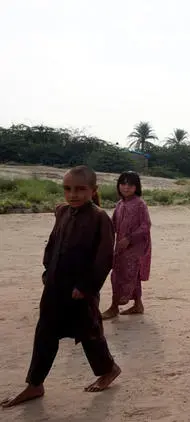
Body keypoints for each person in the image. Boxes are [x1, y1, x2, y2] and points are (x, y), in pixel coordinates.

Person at [2, 166, 121, 408]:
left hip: (81, 290)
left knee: (89, 331)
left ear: (93, 190)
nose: (73, 194)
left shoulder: (99, 218)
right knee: (44, 332)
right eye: (68, 189)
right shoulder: (63, 212)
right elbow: (53, 243)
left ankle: (109, 369)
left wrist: (87, 287)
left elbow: (104, 258)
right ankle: (35, 383)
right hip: (55, 284)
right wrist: (48, 272)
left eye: (80, 189)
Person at [102, 171, 152, 320]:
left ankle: (114, 307)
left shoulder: (140, 204)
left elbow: (146, 225)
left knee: (125, 274)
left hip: (135, 246)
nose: (126, 187)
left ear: (136, 187)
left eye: (130, 184)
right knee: (124, 274)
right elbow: (113, 224)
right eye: (123, 183)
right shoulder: (120, 204)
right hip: (121, 245)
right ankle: (138, 305)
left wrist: (129, 238)